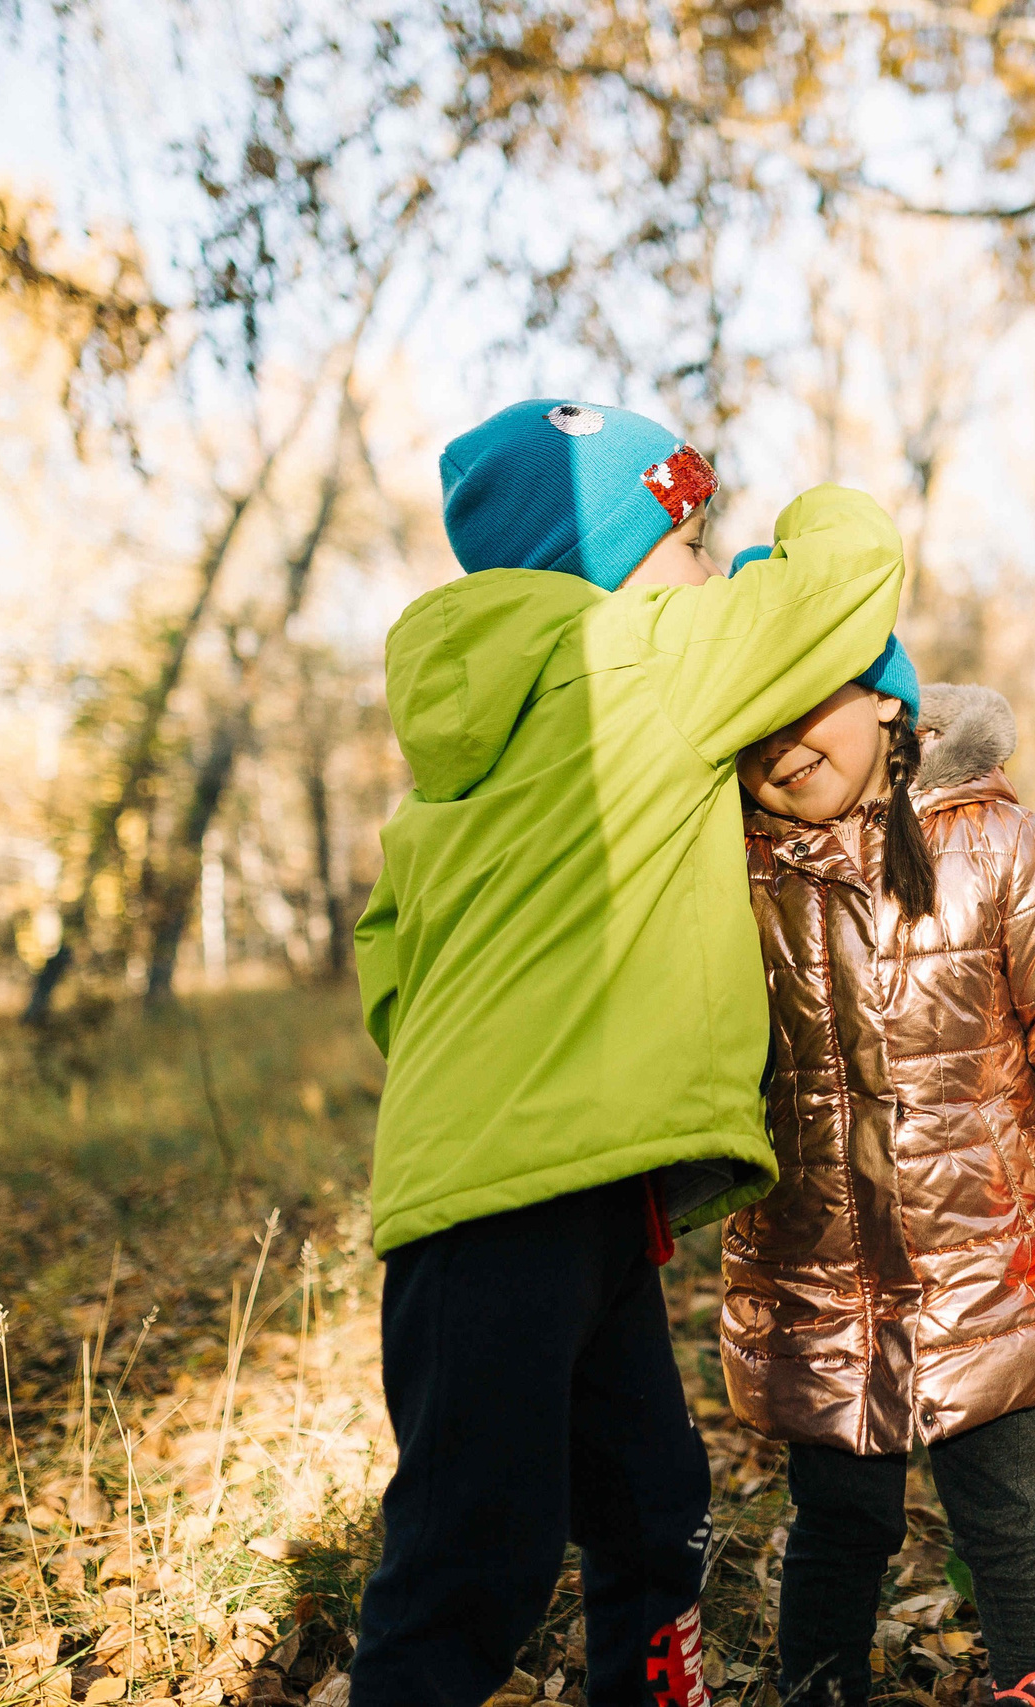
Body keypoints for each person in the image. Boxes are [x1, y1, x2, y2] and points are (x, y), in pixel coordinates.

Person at [347, 398, 905, 1707]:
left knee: (655, 1496)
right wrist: (797, 532)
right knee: (469, 1552)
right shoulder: (652, 648)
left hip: (528, 1192)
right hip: (527, 1195)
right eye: (694, 532)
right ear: (618, 552)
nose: (709, 562)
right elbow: (855, 578)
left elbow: (388, 963)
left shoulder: (449, 760)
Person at [718, 650, 1035, 1707]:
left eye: (806, 710)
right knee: (838, 1516)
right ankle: (820, 1687)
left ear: (886, 700)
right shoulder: (731, 867)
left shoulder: (993, 841)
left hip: (990, 1258)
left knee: (1004, 1508)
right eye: (754, 724)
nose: (782, 748)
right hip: (815, 1271)